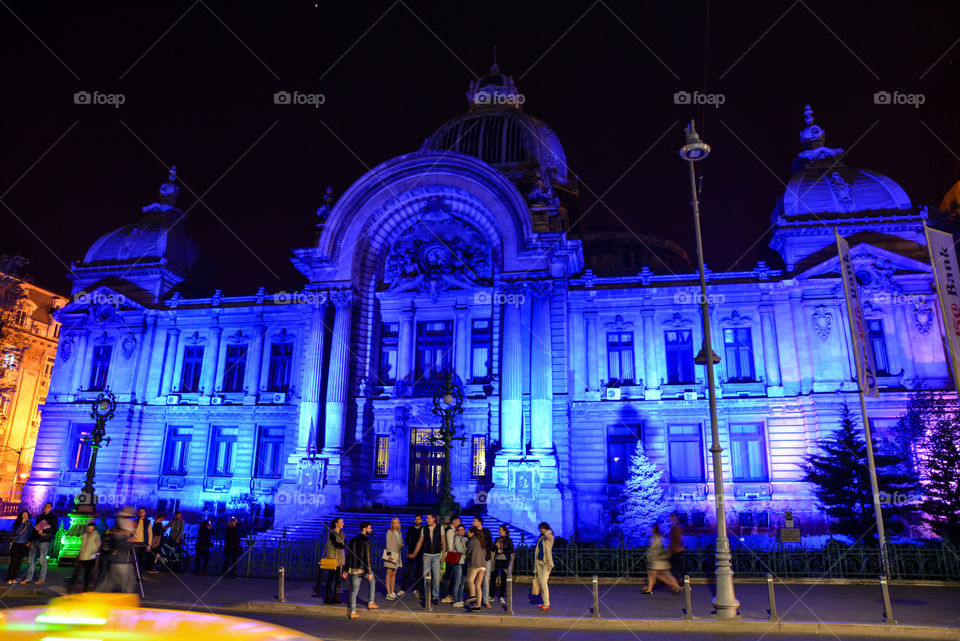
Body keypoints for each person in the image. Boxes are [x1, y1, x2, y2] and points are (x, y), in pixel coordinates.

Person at [96, 508, 138, 593]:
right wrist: (129, 538)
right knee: (125, 584)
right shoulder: (120, 531)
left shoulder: (122, 529)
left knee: (110, 582)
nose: (131, 525)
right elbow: (120, 543)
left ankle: (97, 595)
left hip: (122, 560)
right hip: (120, 561)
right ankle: (96, 596)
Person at [344, 522, 379, 619]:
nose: (371, 530)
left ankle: (352, 611)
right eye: (369, 528)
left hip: (353, 569)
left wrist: (346, 570)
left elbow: (348, 556)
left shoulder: (353, 540)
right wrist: (369, 571)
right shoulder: (366, 541)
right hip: (362, 569)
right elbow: (367, 557)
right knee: (372, 580)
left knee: (354, 590)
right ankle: (371, 602)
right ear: (364, 529)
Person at [410, 513, 445, 605]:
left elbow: (444, 542)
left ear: (433, 519)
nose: (427, 520)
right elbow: (420, 542)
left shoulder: (440, 528)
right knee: (426, 576)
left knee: (436, 577)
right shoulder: (424, 529)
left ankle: (435, 596)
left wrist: (443, 555)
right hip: (426, 554)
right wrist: (414, 553)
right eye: (427, 518)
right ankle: (427, 595)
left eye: (429, 518)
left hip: (437, 554)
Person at [22, 502, 58, 585]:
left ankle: (41, 579)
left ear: (51, 508)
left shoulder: (53, 517)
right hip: (35, 540)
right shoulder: (40, 516)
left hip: (45, 540)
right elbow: (35, 529)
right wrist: (30, 540)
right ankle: (28, 578)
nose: (46, 508)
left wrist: (44, 531)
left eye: (48, 507)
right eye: (45, 507)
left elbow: (54, 529)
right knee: (31, 560)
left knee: (42, 560)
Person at [313, 517, 346, 603]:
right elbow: (336, 545)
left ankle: (336, 596)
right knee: (331, 577)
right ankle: (327, 597)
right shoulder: (332, 534)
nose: (342, 523)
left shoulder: (342, 534)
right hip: (333, 558)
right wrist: (341, 544)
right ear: (336, 523)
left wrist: (341, 544)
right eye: (341, 522)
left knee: (338, 578)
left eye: (342, 522)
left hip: (340, 559)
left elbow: (344, 544)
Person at [643, 524, 681, 594]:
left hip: (657, 560)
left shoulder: (655, 538)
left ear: (654, 529)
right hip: (660, 560)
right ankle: (649, 588)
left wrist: (653, 556)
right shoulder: (660, 538)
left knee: (655, 574)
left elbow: (654, 549)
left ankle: (675, 586)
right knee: (659, 574)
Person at [68, 522, 101, 592]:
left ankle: (85, 590)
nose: (89, 530)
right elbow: (82, 545)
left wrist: (92, 552)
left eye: (91, 529)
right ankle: (70, 589)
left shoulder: (96, 535)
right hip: (82, 557)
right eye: (89, 529)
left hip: (90, 558)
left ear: (93, 529)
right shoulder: (84, 535)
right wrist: (80, 553)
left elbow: (98, 545)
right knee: (76, 574)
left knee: (87, 575)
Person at [6, 510, 32, 584]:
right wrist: (22, 523)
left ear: (28, 516)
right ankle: (9, 578)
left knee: (19, 562)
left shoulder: (30, 524)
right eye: (23, 514)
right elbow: (16, 532)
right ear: (21, 516)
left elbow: (29, 533)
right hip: (16, 544)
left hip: (23, 545)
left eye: (26, 514)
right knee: (14, 561)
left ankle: (14, 578)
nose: (25, 516)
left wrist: (28, 541)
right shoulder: (17, 522)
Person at [472, 516, 493, 608]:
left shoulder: (486, 532)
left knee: (485, 580)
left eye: (475, 521)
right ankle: (476, 599)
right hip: (476, 560)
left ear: (479, 522)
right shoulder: (473, 532)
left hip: (485, 559)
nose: (473, 522)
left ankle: (485, 600)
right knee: (475, 580)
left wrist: (484, 553)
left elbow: (490, 545)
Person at [533, 522, 554, 610]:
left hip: (547, 563)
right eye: (540, 529)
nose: (541, 530)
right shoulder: (541, 538)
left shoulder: (550, 537)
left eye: (542, 528)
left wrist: (548, 531)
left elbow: (548, 535)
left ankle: (547, 603)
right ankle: (543, 601)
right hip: (539, 562)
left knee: (544, 582)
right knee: (541, 583)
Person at [465, 526, 487, 611]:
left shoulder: (472, 541)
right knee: (478, 585)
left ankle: (473, 595)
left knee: (470, 580)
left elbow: (468, 552)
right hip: (483, 565)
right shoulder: (481, 540)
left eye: (469, 532)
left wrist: (467, 559)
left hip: (476, 564)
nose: (468, 534)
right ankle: (478, 605)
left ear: (472, 533)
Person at [440, 516, 460, 603]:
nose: (460, 523)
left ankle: (450, 594)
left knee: (451, 576)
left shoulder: (453, 531)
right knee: (448, 575)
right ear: (454, 522)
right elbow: (450, 545)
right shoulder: (450, 531)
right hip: (451, 555)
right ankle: (444, 595)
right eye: (459, 521)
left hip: (452, 555)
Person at [492, 524, 514, 605]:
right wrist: (495, 546)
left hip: (504, 560)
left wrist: (503, 551)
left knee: (504, 578)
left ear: (504, 531)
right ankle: (491, 595)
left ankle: (501, 596)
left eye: (500, 530)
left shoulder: (508, 540)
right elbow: (493, 549)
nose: (499, 531)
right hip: (497, 560)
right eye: (499, 530)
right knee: (493, 577)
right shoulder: (497, 539)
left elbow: (511, 550)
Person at [383, 518, 404, 600]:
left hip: (397, 555)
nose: (395, 524)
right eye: (394, 523)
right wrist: (389, 556)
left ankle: (392, 591)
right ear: (391, 524)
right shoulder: (389, 532)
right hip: (391, 555)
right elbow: (388, 544)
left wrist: (401, 545)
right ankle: (388, 593)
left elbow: (401, 543)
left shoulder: (399, 532)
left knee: (394, 574)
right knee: (389, 573)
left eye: (397, 523)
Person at [403, 515, 423, 597]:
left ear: (421, 520)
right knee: (408, 570)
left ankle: (416, 588)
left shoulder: (423, 529)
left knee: (418, 571)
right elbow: (407, 539)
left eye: (418, 519)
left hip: (420, 552)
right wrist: (410, 547)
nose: (417, 520)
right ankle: (403, 588)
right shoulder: (411, 528)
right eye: (416, 519)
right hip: (411, 552)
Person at [449, 523, 468, 608]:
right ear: (457, 531)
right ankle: (455, 600)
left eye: (462, 530)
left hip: (465, 562)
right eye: (459, 530)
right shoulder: (457, 538)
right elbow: (460, 549)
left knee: (462, 583)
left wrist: (465, 549)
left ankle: (460, 599)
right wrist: (467, 551)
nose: (461, 531)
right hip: (458, 562)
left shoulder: (465, 539)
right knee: (457, 582)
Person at [131, 507, 152, 573]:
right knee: (134, 560)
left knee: (141, 561)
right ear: (138, 513)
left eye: (143, 512)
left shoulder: (148, 522)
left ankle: (139, 576)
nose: (141, 513)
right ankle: (133, 575)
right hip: (135, 543)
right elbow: (131, 532)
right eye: (140, 512)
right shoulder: (134, 521)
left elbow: (150, 534)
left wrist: (149, 544)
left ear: (145, 513)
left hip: (143, 544)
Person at [668, 513, 685, 581]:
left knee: (679, 568)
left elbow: (678, 538)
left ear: (675, 518)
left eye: (671, 517)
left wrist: (674, 547)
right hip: (675, 550)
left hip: (676, 550)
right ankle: (677, 582)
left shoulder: (677, 527)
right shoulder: (673, 527)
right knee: (676, 568)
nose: (669, 518)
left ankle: (684, 583)